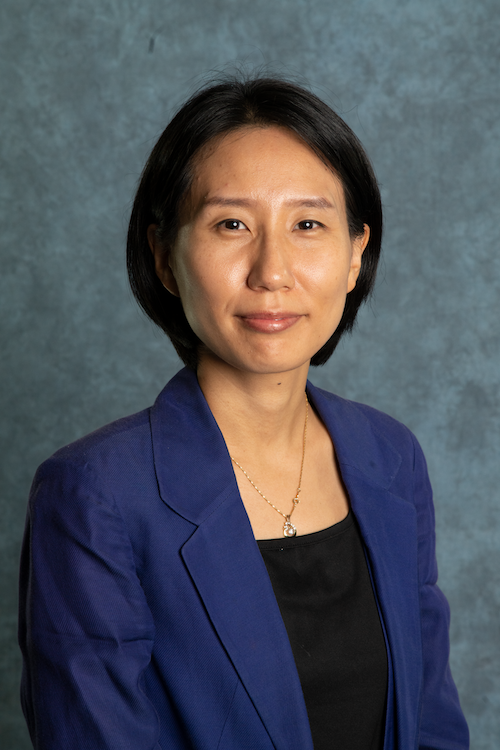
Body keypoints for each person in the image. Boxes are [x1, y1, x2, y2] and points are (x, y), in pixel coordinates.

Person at [19, 77, 469, 750]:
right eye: (231, 224)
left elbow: (431, 723)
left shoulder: (390, 456)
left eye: (308, 225)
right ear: (164, 257)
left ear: (355, 255)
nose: (271, 271)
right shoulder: (94, 495)